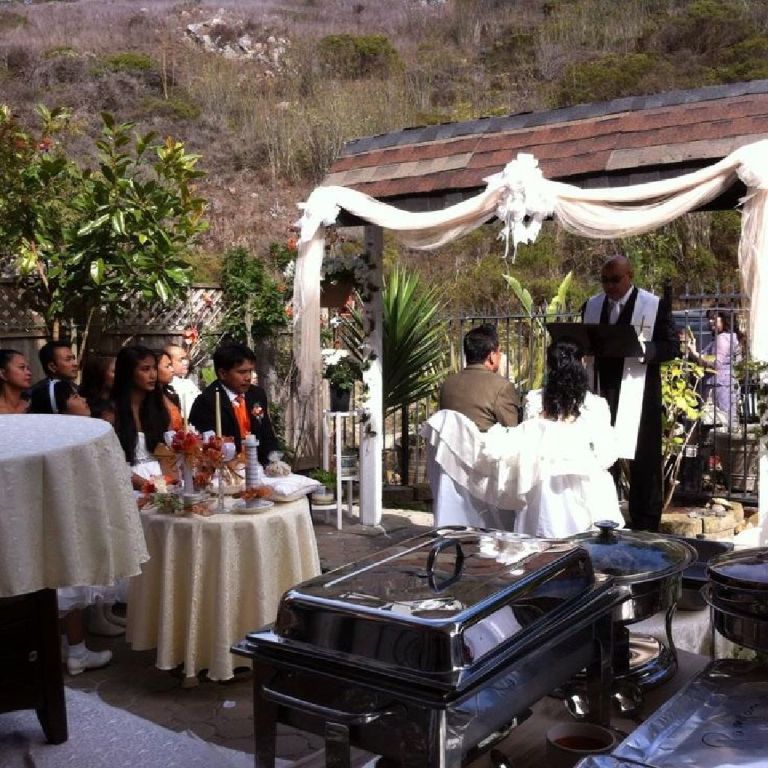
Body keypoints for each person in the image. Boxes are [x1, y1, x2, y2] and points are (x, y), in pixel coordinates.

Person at [486, 338, 624, 537]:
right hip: (584, 484)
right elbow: (607, 455)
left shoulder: (535, 400)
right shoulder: (595, 405)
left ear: (550, 366)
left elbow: (529, 442)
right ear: (582, 363)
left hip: (541, 485)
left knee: (541, 542)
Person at [582, 255, 680, 532]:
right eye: (605, 280)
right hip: (601, 390)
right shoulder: (591, 306)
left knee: (643, 464)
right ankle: (604, 521)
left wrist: (644, 350)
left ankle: (646, 528)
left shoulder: (653, 305)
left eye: (615, 280)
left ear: (630, 276)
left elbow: (671, 347)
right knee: (601, 460)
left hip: (639, 394)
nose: (610, 286)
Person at [28, 379, 117, 672]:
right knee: (70, 585)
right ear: (60, 408)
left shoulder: (44, 436)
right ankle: (77, 651)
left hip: (52, 523)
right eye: (76, 396)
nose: (84, 399)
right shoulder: (71, 438)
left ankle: (62, 647)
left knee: (59, 585)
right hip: (69, 522)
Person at [189, 342, 278, 462]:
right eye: (241, 372)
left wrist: (273, 461)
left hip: (259, 465)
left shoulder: (257, 394)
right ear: (223, 373)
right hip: (227, 468)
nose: (248, 377)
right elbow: (205, 445)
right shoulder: (206, 402)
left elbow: (266, 433)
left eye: (250, 371)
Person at [439, 323, 520, 431]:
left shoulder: (447, 385)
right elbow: (512, 432)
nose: (500, 356)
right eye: (498, 352)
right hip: (485, 447)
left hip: (450, 447)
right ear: (491, 356)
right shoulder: (501, 388)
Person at [112, 346, 169, 489]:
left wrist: (169, 483)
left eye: (154, 368)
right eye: (145, 369)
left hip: (161, 480)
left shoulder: (158, 409)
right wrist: (147, 486)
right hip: (128, 484)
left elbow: (167, 454)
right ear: (128, 373)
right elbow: (111, 462)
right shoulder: (112, 412)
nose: (153, 375)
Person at [685, 309, 741, 427]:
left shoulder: (723, 338)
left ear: (724, 319)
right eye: (709, 319)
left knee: (721, 422)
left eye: (714, 318)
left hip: (719, 386)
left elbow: (716, 363)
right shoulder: (728, 336)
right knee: (721, 422)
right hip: (723, 384)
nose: (710, 321)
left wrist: (695, 353)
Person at [28, 339, 80, 412]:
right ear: (52, 367)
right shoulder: (37, 395)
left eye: (73, 358)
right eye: (68, 359)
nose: (75, 364)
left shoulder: (78, 389)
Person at [164, 343, 200, 419]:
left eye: (186, 358)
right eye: (181, 359)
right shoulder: (164, 387)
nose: (186, 362)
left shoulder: (188, 383)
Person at [156, 349, 184, 431]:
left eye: (171, 365)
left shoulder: (170, 395)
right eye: (167, 366)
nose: (172, 370)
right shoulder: (148, 401)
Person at [0, 349, 32, 414]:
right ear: (2, 374)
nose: (29, 373)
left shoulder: (32, 407)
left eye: (28, 368)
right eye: (22, 367)